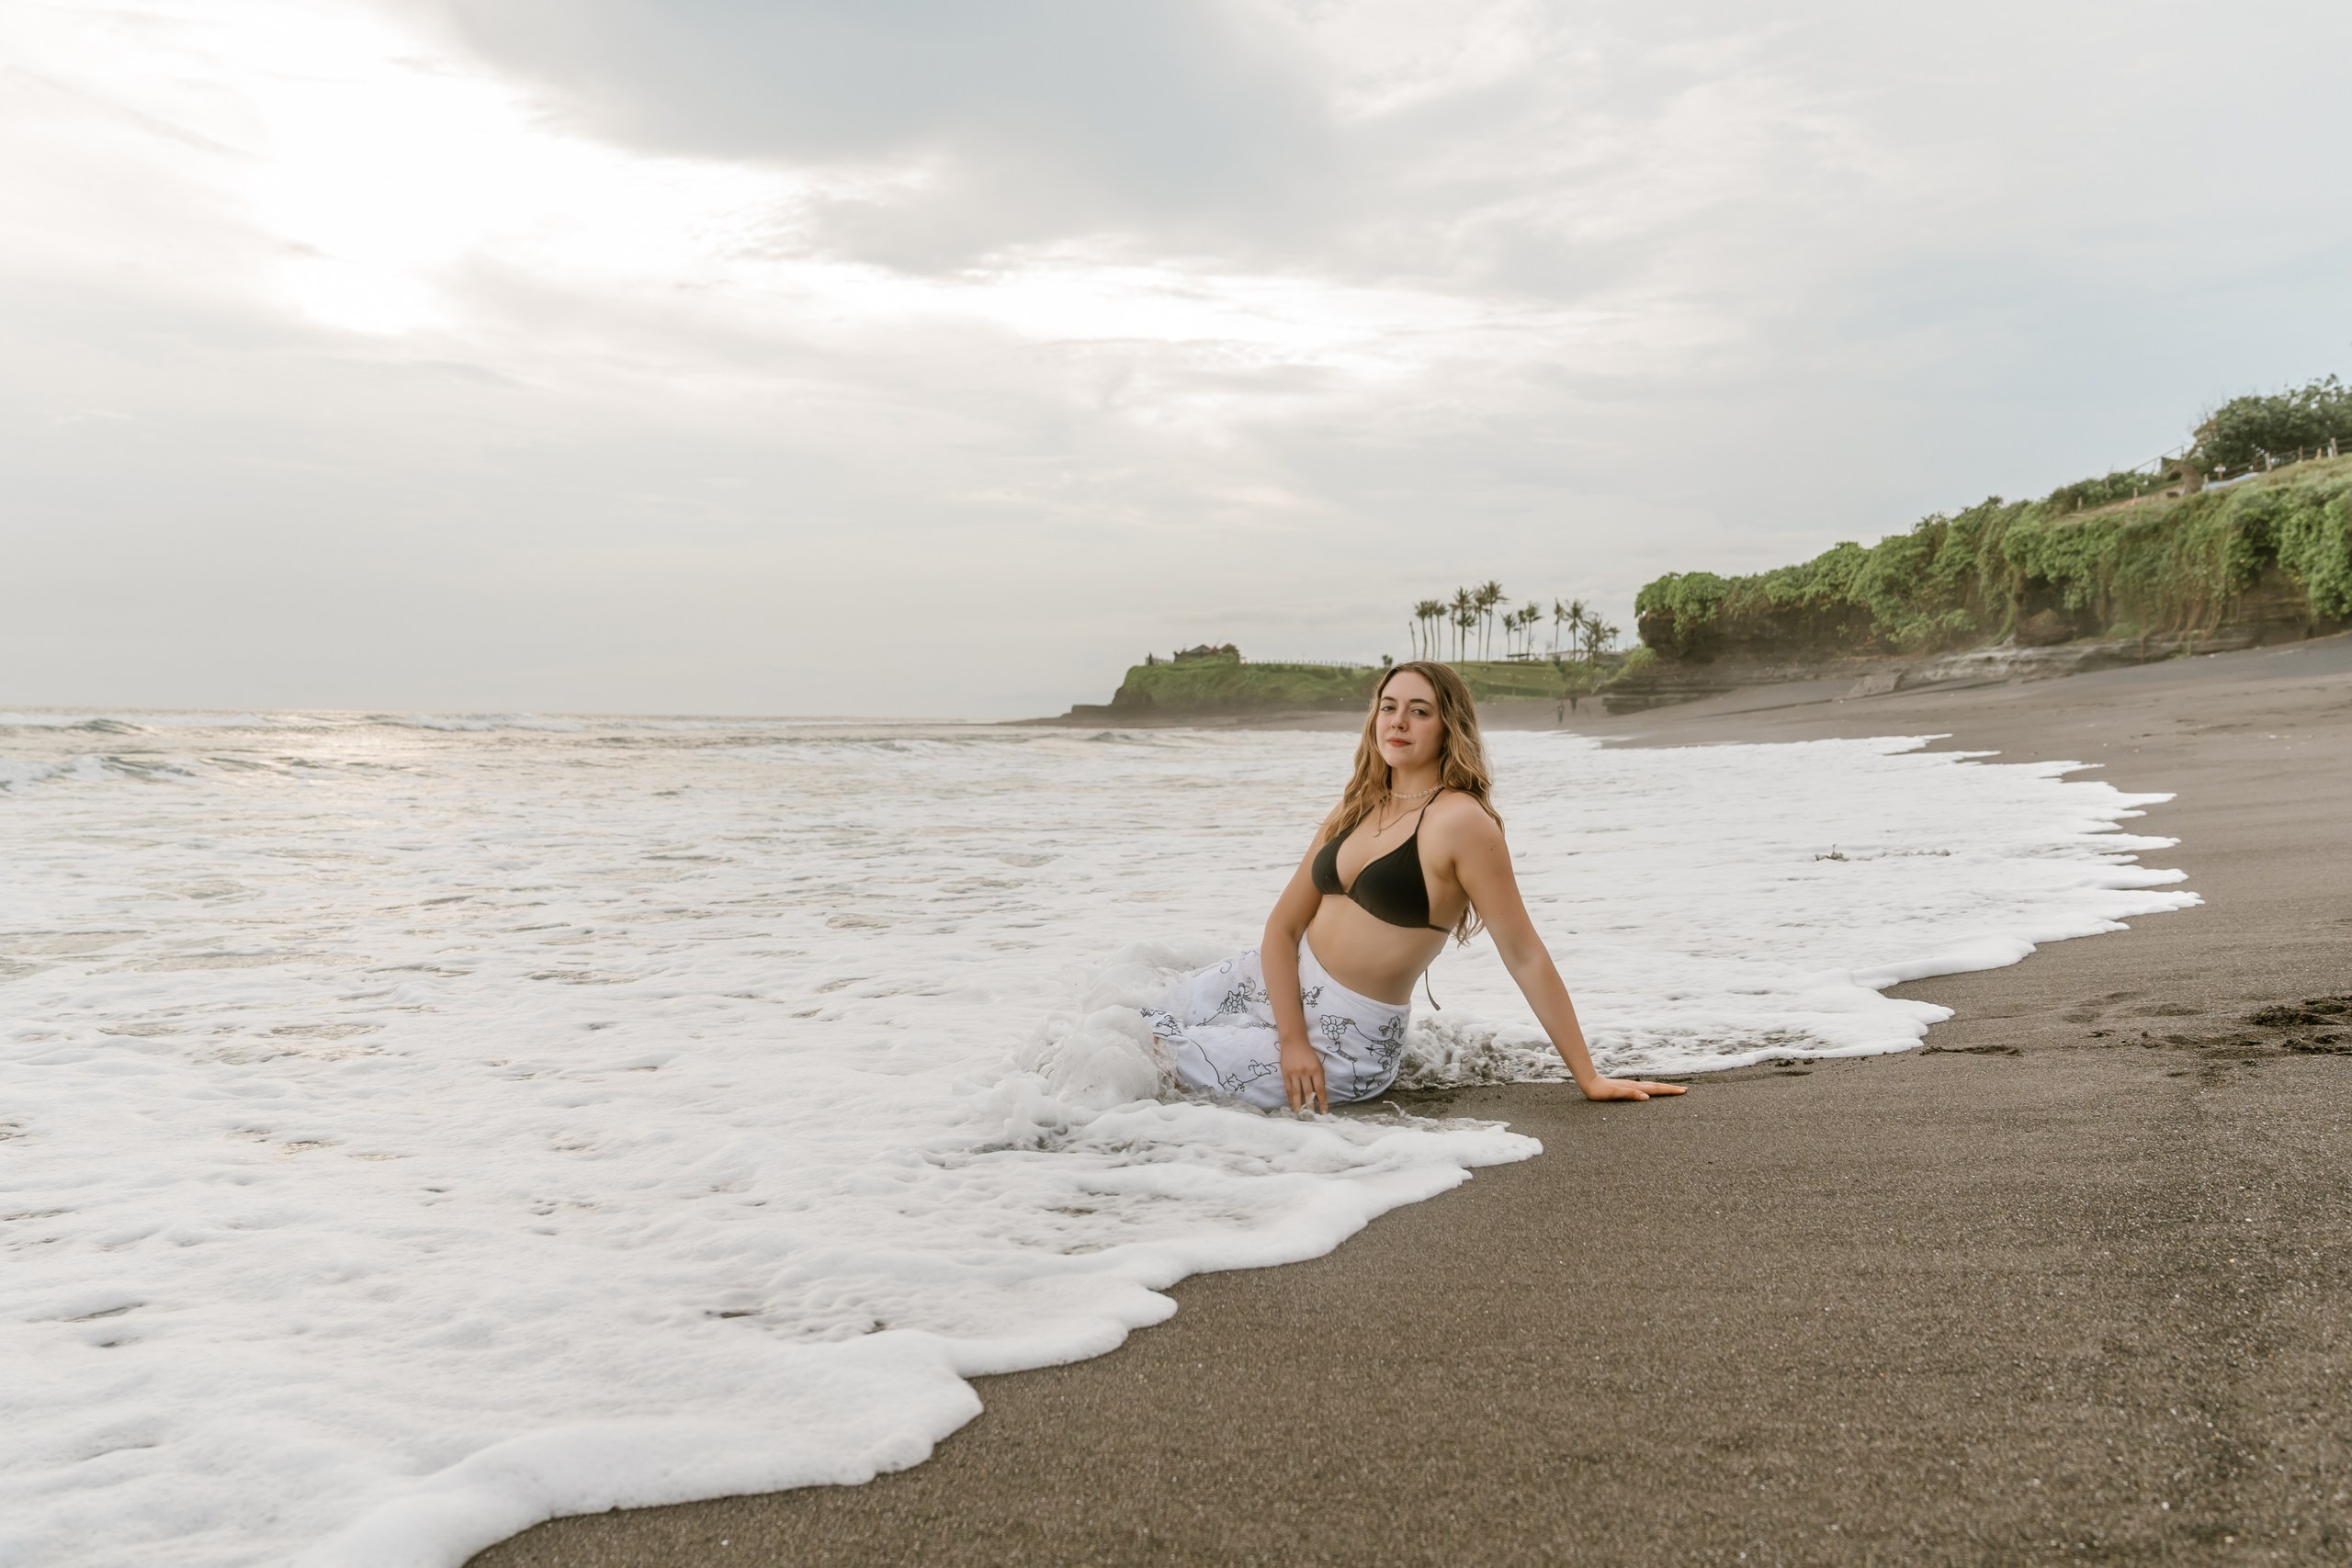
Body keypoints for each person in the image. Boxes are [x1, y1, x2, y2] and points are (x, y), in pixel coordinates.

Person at [1144, 660, 1685, 1112]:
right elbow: (1282, 927)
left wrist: (1588, 1078)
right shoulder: (1355, 806)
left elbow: (1524, 955)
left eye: (1419, 711)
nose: (1398, 722)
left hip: (1345, 1041)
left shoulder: (1462, 823)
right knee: (1127, 1018)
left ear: (1448, 726)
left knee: (1152, 1063)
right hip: (1275, 982)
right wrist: (1290, 1037)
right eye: (1389, 707)